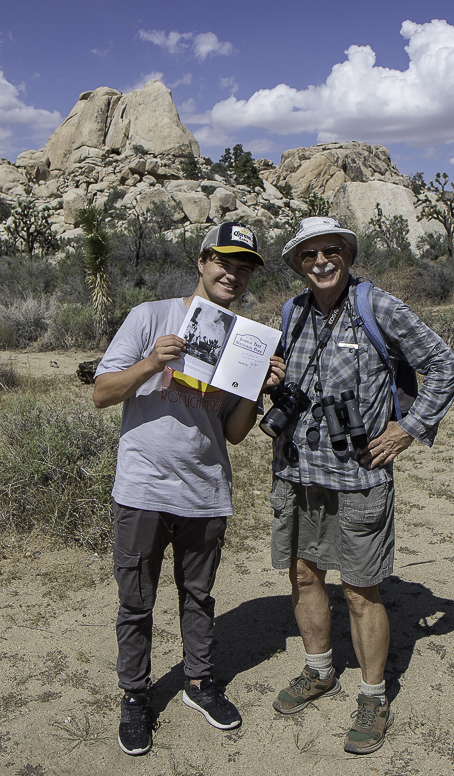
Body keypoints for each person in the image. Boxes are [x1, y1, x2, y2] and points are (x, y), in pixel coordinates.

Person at [268, 216, 454, 754]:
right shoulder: (291, 312)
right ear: (297, 264)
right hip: (295, 472)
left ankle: (373, 697)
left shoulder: (378, 307)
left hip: (358, 475)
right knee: (304, 574)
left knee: (359, 588)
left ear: (348, 255)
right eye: (309, 255)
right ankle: (319, 670)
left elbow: (444, 365)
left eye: (331, 250)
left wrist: (408, 428)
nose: (321, 261)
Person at [93, 222, 285, 756]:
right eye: (224, 261)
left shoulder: (245, 340)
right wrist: (151, 362)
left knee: (198, 596)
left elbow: (235, 433)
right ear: (201, 262)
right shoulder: (150, 316)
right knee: (136, 602)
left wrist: (257, 389)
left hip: (205, 489)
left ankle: (199, 683)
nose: (233, 274)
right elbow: (102, 393)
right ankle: (136, 695)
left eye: (244, 267)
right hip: (143, 486)